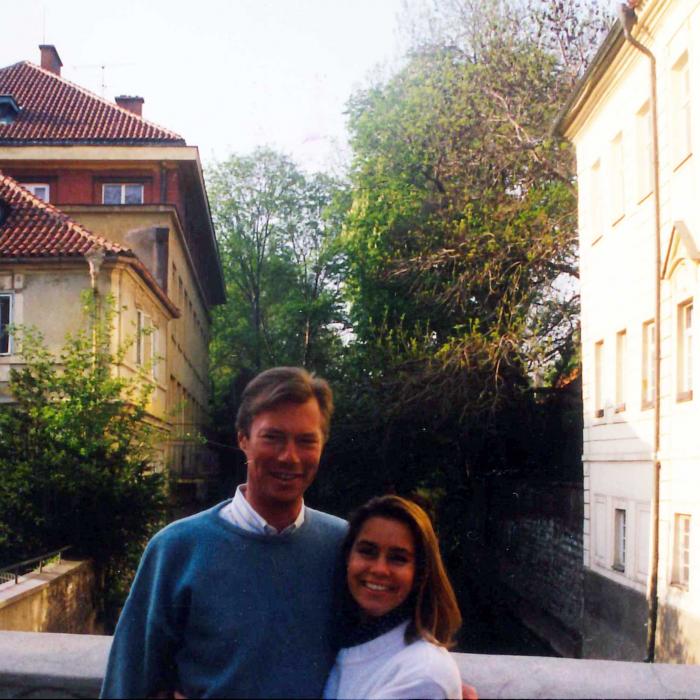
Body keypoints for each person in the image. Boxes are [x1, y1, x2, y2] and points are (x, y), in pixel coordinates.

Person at [101, 367, 348, 699]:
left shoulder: (345, 547)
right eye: (272, 437)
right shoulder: (177, 548)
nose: (289, 456)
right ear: (242, 439)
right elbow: (128, 681)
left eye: (306, 441)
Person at [324, 495, 463, 700]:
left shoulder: (424, 674)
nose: (379, 569)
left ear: (420, 572)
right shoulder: (348, 643)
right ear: (348, 558)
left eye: (398, 558)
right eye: (367, 552)